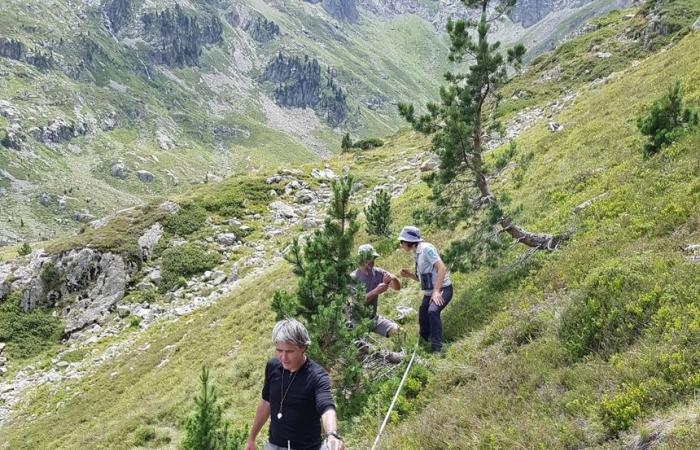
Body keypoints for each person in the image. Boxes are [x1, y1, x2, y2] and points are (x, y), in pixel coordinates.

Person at [245, 318, 345, 450]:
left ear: (303, 347)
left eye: (289, 351)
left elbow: (326, 407)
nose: (283, 357)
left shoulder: (317, 375)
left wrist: (332, 435)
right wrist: (252, 438)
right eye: (279, 350)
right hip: (274, 445)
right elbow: (265, 402)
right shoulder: (272, 366)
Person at [397, 226, 453, 353]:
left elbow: (442, 268)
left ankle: (437, 347)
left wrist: (437, 291)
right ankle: (423, 343)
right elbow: (423, 279)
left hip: (443, 288)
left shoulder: (427, 249)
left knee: (433, 311)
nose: (401, 245)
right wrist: (409, 275)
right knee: (423, 311)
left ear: (408, 241)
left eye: (402, 242)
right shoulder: (416, 253)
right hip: (430, 291)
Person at [351, 243, 401, 337]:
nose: (372, 261)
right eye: (369, 258)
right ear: (361, 259)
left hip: (374, 318)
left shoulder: (378, 272)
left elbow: (397, 287)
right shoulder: (353, 278)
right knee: (362, 348)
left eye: (373, 258)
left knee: (399, 333)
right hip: (356, 322)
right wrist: (376, 291)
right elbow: (358, 302)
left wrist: (393, 278)